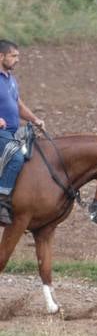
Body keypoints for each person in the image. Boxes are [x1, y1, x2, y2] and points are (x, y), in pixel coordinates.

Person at [0, 39, 45, 227]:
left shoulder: (10, 79)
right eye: (13, 56)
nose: (17, 59)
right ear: (1, 56)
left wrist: (35, 119)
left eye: (18, 56)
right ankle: (2, 200)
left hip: (13, 130)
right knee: (16, 156)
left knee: (35, 153)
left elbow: (18, 105)